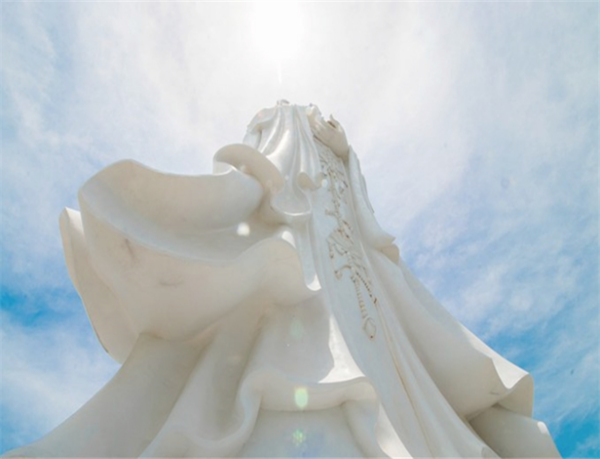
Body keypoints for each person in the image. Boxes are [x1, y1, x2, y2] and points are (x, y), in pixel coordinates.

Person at [4, 101, 560, 458]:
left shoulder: (337, 161)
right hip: (307, 245)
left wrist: (340, 152)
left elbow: (369, 224)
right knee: (297, 329)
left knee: (374, 347)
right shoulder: (284, 123)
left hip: (353, 271)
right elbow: (267, 164)